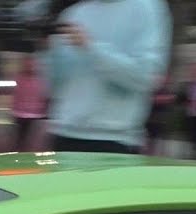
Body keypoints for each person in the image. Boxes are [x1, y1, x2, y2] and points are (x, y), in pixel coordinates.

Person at [44, 0, 171, 154]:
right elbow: (54, 89)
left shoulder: (146, 7)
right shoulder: (74, 13)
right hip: (63, 134)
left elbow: (146, 77)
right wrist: (46, 53)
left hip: (112, 140)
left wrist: (90, 48)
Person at [10, 54, 48, 151]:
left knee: (32, 139)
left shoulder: (40, 79)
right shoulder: (20, 78)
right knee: (21, 138)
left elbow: (42, 95)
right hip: (21, 113)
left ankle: (25, 154)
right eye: (28, 64)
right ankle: (21, 154)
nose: (30, 66)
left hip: (35, 114)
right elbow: (17, 95)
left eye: (32, 64)